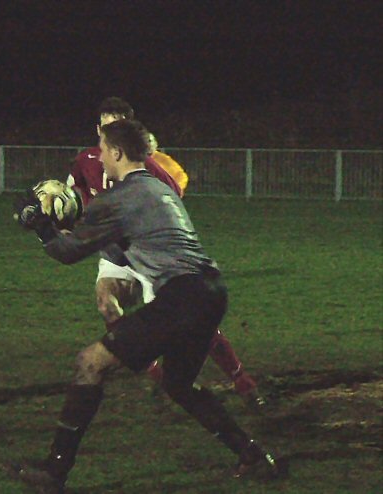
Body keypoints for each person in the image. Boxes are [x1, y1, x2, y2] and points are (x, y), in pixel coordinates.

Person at [12, 119, 281, 493]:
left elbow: (69, 253)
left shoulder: (118, 198)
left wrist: (41, 226)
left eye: (104, 148)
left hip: (183, 296)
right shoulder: (156, 187)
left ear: (118, 153)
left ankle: (54, 472)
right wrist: (73, 220)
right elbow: (116, 237)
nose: (100, 156)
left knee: (90, 363)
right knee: (178, 384)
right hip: (211, 291)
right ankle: (251, 454)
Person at [67, 97, 263, 407]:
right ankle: (153, 372)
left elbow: (171, 197)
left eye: (118, 125)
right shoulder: (85, 160)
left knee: (190, 318)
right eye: (107, 126)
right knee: (106, 302)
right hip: (114, 249)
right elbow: (75, 196)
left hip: (148, 251)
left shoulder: (149, 167)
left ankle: (238, 375)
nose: (110, 132)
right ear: (98, 129)